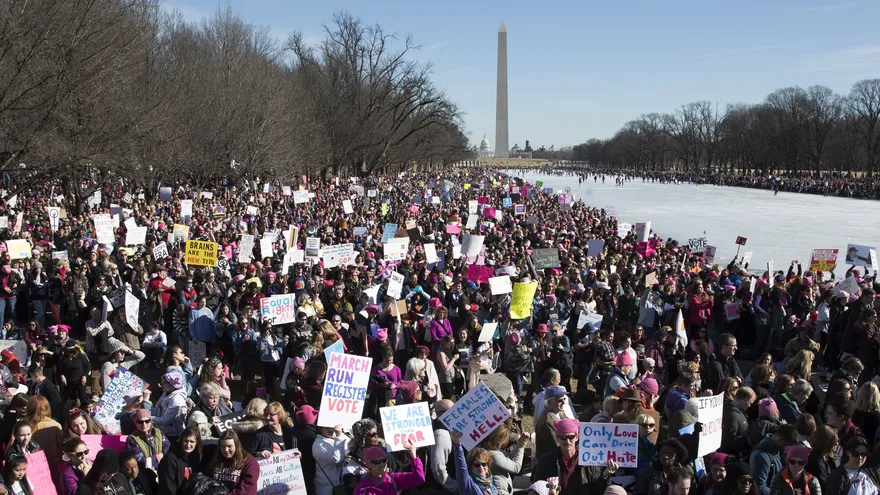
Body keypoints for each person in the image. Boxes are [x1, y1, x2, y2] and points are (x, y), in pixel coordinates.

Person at [532, 418, 617, 494]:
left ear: (577, 437)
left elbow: (596, 489)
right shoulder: (546, 461)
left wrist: (606, 474)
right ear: (557, 438)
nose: (567, 441)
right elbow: (537, 488)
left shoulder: (588, 460)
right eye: (563, 437)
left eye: (571, 437)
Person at [353, 441, 424, 495]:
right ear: (368, 464)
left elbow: (418, 478)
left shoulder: (394, 479)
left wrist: (413, 456)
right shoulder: (362, 489)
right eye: (377, 461)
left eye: (384, 460)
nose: (382, 464)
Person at [749, 424, 800, 495]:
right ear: (780, 439)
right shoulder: (761, 456)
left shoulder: (778, 451)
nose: (788, 450)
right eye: (787, 446)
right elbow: (759, 488)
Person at [209, 430, 259, 494]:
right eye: (223, 446)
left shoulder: (249, 462)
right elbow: (207, 478)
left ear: (236, 446)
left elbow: (246, 488)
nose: (226, 450)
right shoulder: (215, 460)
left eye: (229, 446)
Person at [157, 426, 202, 495]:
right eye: (186, 441)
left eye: (192, 442)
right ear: (181, 440)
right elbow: (168, 489)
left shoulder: (195, 456)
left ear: (197, 443)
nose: (188, 445)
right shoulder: (169, 460)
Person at [534, 386, 570, 462]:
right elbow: (556, 446)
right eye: (560, 400)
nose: (563, 402)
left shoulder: (559, 411)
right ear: (549, 402)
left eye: (564, 399)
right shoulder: (547, 421)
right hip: (550, 462)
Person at [313, 423, 347, 495]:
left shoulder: (336, 438)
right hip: (326, 489)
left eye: (332, 426)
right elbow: (336, 459)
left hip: (340, 485)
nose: (331, 429)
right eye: (327, 427)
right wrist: (339, 437)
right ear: (320, 428)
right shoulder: (318, 444)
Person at [151, 372, 189, 438]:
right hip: (163, 432)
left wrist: (148, 417)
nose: (162, 384)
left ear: (172, 385)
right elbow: (156, 408)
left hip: (173, 436)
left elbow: (166, 420)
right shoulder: (166, 393)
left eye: (164, 383)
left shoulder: (177, 400)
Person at [722, 386, 756, 456]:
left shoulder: (737, 411)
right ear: (745, 399)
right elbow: (730, 439)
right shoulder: (732, 415)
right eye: (750, 402)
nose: (749, 406)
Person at [806, 425, 839, 489]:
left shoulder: (827, 458)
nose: (837, 444)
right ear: (827, 443)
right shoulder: (815, 461)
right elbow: (824, 486)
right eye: (834, 442)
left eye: (838, 441)